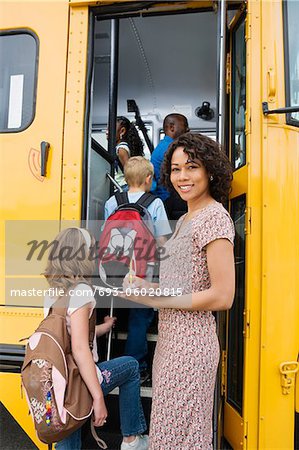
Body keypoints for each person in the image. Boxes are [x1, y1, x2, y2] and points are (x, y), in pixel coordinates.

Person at [122, 133, 235, 449]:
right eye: (175, 169)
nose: (182, 176)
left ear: (209, 171)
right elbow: (185, 285)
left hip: (191, 347)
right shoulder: (186, 218)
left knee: (181, 437)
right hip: (171, 344)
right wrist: (147, 288)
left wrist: (160, 297)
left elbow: (223, 295)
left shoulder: (214, 218)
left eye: (192, 167)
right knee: (171, 434)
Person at [43, 227, 149, 450]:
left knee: (69, 431)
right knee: (130, 366)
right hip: (79, 377)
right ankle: (131, 439)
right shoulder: (81, 291)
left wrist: (103, 326)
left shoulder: (53, 291)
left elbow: (70, 332)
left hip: (59, 377)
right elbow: (80, 349)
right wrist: (98, 397)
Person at [104, 157, 172, 381]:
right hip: (143, 267)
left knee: (116, 308)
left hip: (114, 267)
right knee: (140, 316)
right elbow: (161, 239)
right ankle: (137, 366)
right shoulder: (154, 203)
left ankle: (109, 361)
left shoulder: (113, 201)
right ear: (149, 179)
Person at [150, 113, 189, 218]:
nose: (188, 129)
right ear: (172, 127)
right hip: (170, 201)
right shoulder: (171, 149)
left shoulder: (165, 146)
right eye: (185, 125)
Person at [111, 116, 144, 189]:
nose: (107, 132)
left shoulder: (121, 149)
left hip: (123, 186)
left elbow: (129, 172)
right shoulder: (125, 146)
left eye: (110, 129)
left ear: (122, 131)